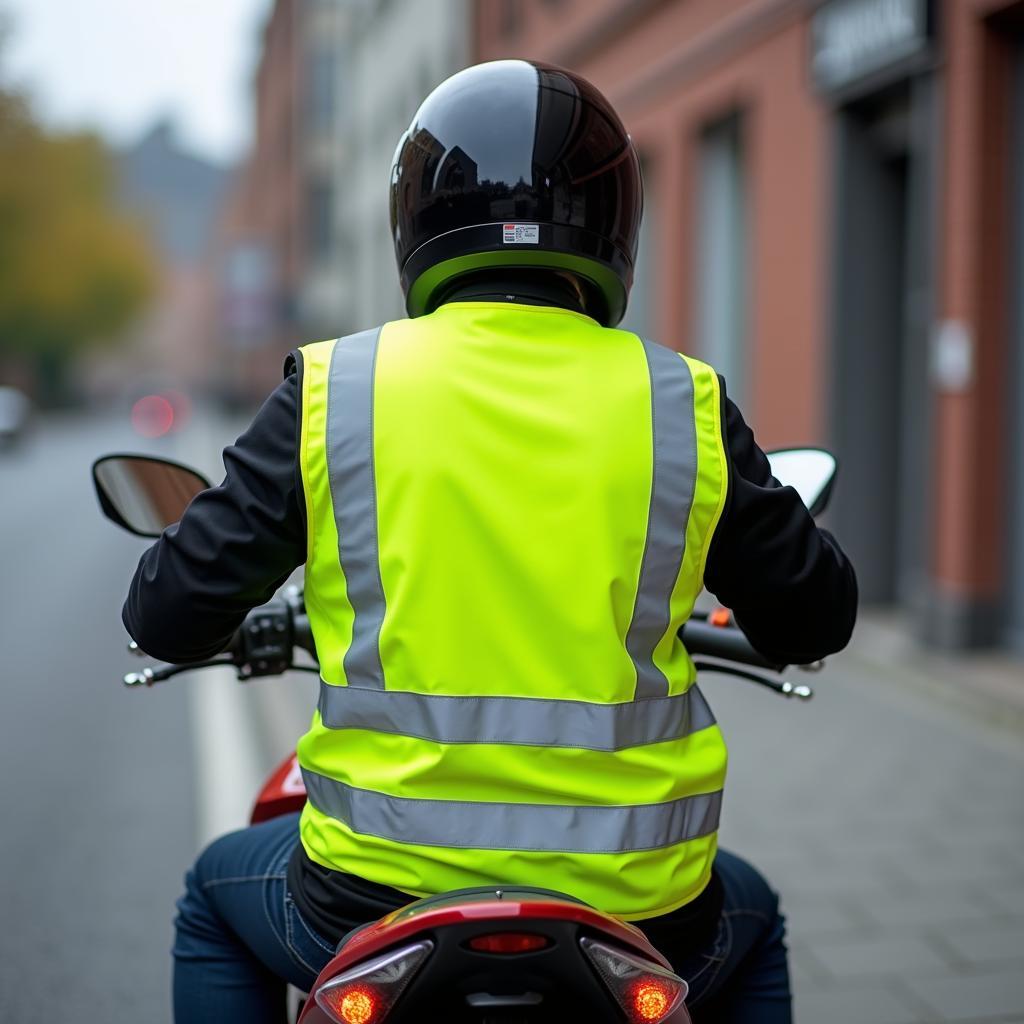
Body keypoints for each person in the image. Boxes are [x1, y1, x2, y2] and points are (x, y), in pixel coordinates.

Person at [124, 61, 857, 1023]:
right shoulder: (682, 402)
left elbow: (168, 615)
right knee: (754, 915)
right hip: (643, 909)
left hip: (368, 901)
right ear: (615, 228)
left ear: (416, 224)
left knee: (212, 898)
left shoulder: (339, 390)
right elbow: (818, 614)